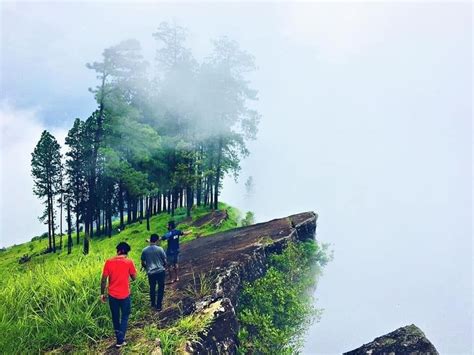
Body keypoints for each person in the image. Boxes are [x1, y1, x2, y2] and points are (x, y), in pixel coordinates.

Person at [100, 242, 137, 349]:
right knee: (125, 316)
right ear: (126, 252)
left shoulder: (109, 262)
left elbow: (103, 280)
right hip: (125, 294)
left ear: (118, 250)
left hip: (112, 295)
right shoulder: (129, 262)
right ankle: (121, 340)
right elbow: (134, 278)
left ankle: (119, 340)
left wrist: (102, 293)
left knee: (115, 317)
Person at [141, 234, 167, 311]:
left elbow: (143, 262)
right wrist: (164, 266)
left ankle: (153, 303)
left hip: (151, 272)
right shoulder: (160, 249)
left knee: (152, 287)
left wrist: (147, 267)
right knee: (160, 288)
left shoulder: (144, 250)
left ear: (150, 240)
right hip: (160, 271)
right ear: (156, 240)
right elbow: (165, 261)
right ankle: (159, 305)